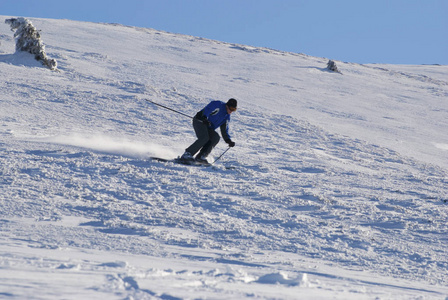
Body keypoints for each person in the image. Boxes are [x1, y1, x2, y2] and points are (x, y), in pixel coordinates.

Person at [181, 98, 237, 163]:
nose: (231, 111)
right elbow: (209, 108)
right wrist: (205, 117)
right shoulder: (218, 105)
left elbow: (224, 130)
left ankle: (201, 156)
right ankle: (187, 154)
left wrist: (228, 140)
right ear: (227, 105)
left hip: (208, 127)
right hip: (200, 121)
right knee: (204, 137)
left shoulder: (226, 117)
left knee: (215, 137)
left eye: (234, 109)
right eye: (231, 108)